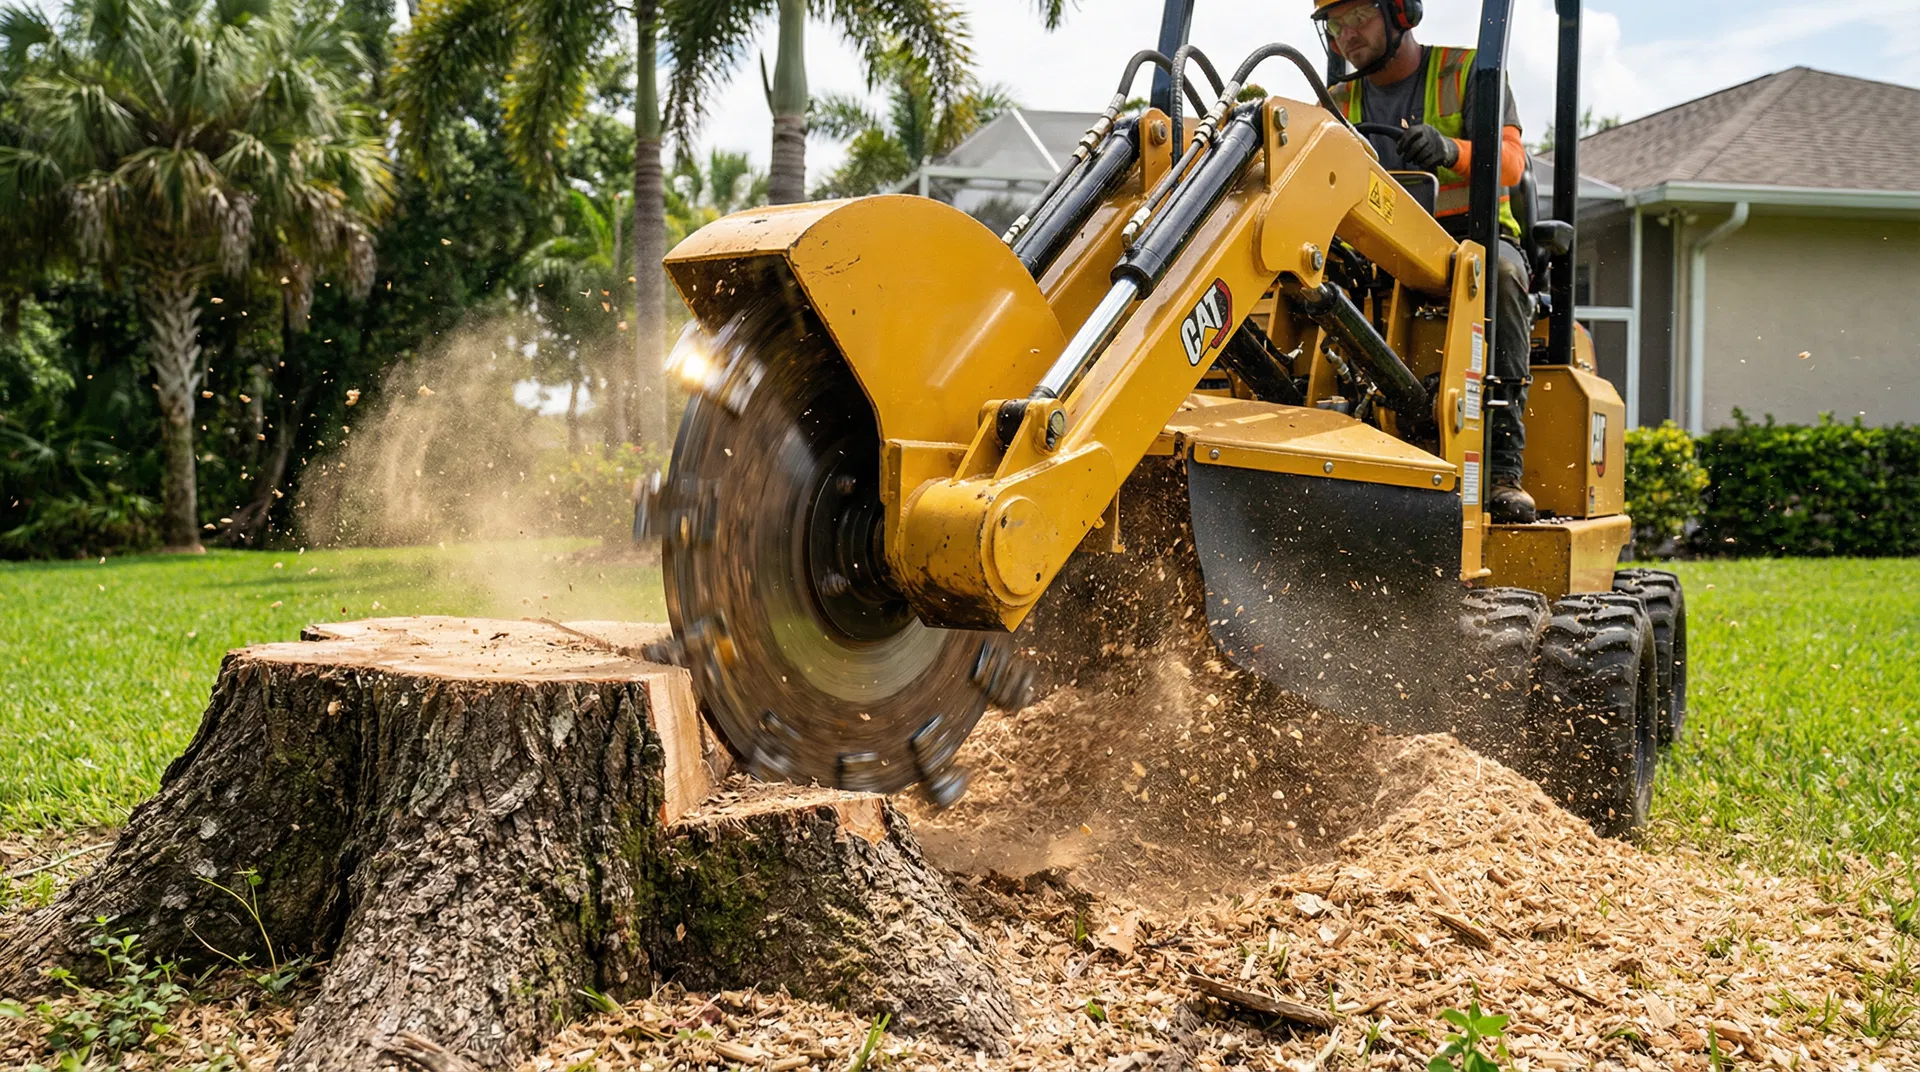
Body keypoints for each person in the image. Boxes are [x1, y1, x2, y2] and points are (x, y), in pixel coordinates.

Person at [1312, 0, 1539, 523]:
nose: (1346, 36)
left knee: (1502, 276)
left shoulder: (1467, 72)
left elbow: (1511, 164)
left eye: (1358, 18)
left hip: (1472, 240)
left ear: (1400, 12)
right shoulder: (1339, 100)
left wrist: (1451, 150)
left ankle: (1502, 468)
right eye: (1335, 25)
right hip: (1380, 249)